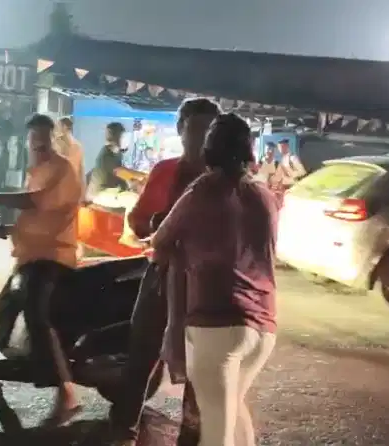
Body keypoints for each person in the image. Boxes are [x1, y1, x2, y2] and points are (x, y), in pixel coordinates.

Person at [151, 113, 278, 446]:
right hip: (263, 327)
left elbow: (161, 238)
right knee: (233, 411)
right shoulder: (264, 195)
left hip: (217, 325)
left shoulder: (205, 188)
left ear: (209, 150)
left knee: (216, 432)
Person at [108, 97, 222, 446]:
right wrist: (155, 226)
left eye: (209, 130)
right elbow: (138, 220)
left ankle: (191, 433)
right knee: (142, 348)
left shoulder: (225, 179)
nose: (201, 137)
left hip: (206, 283)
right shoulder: (165, 171)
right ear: (180, 130)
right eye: (195, 128)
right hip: (161, 272)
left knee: (201, 364)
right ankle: (125, 424)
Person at [0, 113, 83, 427]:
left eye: (44, 138)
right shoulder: (36, 170)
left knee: (35, 313)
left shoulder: (62, 169)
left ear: (53, 138)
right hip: (31, 256)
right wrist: (3, 229)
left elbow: (37, 202)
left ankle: (68, 392)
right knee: (5, 304)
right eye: (34, 139)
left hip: (53, 256)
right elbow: (35, 217)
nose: (39, 144)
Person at [86, 122, 127, 201]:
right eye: (124, 136)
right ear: (117, 137)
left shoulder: (117, 153)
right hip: (98, 194)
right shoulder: (106, 155)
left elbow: (123, 176)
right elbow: (121, 172)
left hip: (109, 191)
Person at [54, 116, 85, 188]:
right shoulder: (78, 146)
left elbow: (81, 170)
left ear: (64, 127)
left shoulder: (77, 146)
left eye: (58, 126)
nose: (56, 129)